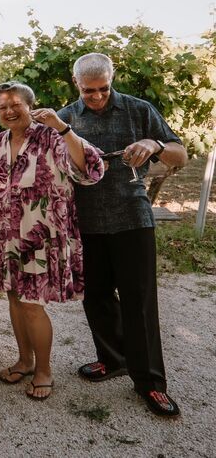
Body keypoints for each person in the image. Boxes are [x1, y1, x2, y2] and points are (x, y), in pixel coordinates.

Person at [57, 53, 188, 417]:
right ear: (76, 83)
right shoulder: (66, 118)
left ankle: (150, 383)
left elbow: (182, 154)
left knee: (139, 302)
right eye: (88, 91)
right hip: (87, 221)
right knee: (95, 297)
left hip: (133, 217)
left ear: (112, 81)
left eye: (103, 89)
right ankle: (113, 358)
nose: (96, 97)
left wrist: (156, 145)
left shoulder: (138, 109)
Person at [0, 81, 104, 400]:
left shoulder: (52, 137)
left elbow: (93, 168)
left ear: (31, 105)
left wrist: (62, 127)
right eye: (3, 107)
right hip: (6, 237)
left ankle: (44, 370)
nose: (9, 111)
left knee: (31, 305)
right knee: (13, 298)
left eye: (16, 105)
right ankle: (24, 360)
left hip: (40, 238)